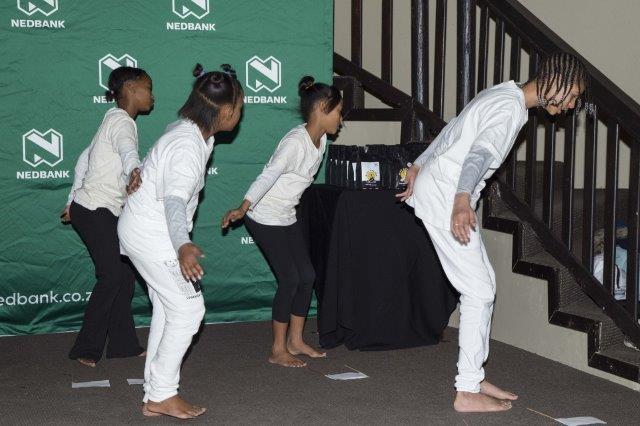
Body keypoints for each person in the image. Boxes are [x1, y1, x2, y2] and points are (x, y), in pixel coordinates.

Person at [397, 52, 590, 412]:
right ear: (557, 82)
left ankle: (474, 375)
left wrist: (418, 165)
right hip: (447, 197)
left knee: (483, 284)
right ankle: (467, 389)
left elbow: (455, 129)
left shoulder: (504, 93)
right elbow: (479, 155)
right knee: (480, 291)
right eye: (573, 96)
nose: (571, 106)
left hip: (441, 189)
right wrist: (461, 199)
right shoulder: (510, 110)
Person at [117, 63, 243, 419]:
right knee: (189, 309)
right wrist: (182, 244)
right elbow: (174, 201)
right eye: (240, 107)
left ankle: (154, 393)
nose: (241, 114)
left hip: (146, 229)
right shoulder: (188, 145)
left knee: (169, 307)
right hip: (154, 235)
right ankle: (162, 394)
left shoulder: (191, 132)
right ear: (225, 111)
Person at [221, 76, 342, 368]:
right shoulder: (294, 143)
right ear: (322, 108)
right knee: (290, 278)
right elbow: (268, 175)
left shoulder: (322, 140)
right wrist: (243, 207)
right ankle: (277, 349)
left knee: (307, 275)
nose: (341, 119)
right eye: (338, 112)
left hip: (286, 214)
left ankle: (295, 341)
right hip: (262, 215)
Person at [61, 66, 154, 368]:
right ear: (130, 89)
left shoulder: (112, 120)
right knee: (112, 275)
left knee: (124, 276)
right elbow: (128, 152)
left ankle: (123, 345)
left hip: (99, 209)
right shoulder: (121, 122)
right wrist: (134, 170)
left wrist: (71, 199)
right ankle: (86, 347)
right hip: (94, 210)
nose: (152, 96)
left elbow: (84, 158)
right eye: (148, 88)